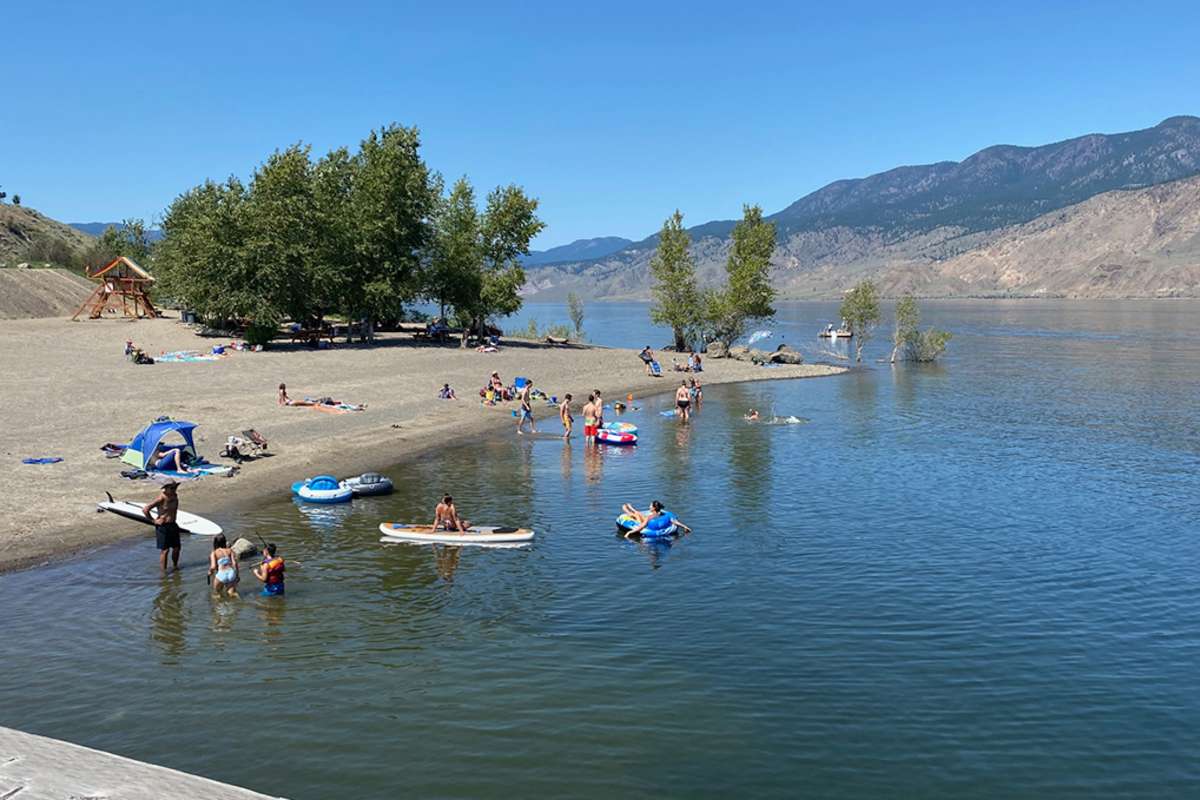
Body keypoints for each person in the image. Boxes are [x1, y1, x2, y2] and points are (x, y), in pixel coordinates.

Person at [143, 481, 182, 571]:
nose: (174, 490)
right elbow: (145, 509)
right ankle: (163, 572)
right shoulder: (161, 498)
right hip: (163, 526)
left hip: (173, 524)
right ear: (166, 488)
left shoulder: (175, 495)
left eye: (175, 487)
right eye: (171, 488)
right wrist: (154, 521)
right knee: (165, 550)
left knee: (177, 548)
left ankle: (175, 567)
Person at [624, 500, 692, 537]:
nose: (649, 507)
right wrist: (685, 526)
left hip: (649, 528)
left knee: (637, 515)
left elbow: (641, 527)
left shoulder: (649, 518)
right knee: (638, 514)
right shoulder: (666, 515)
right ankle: (631, 508)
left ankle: (628, 509)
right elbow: (675, 522)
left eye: (650, 506)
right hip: (660, 527)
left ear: (653, 508)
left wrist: (630, 532)